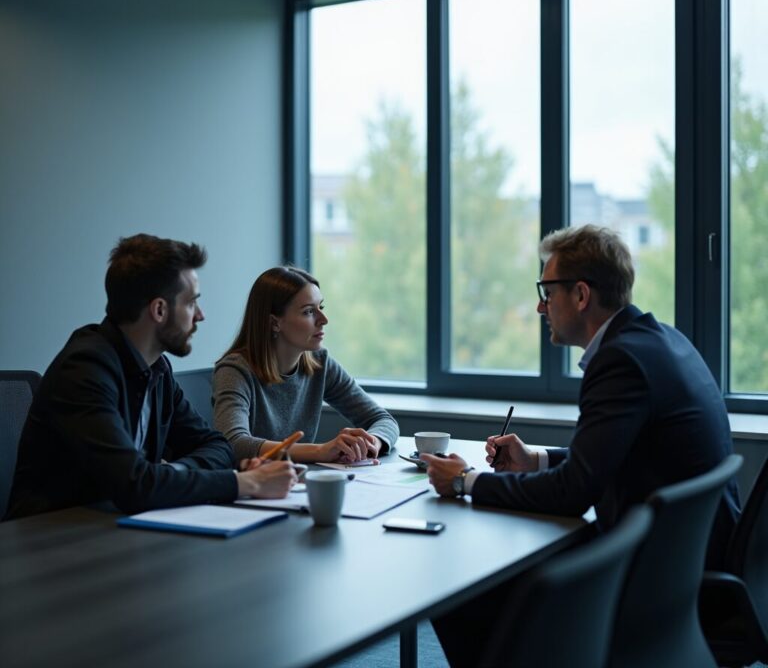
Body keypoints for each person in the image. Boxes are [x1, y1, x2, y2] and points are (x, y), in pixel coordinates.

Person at [422, 224, 741, 666]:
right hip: (687, 559)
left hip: (655, 575)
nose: (540, 306)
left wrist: (465, 482)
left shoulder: (620, 360)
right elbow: (628, 453)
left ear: (581, 295)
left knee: (462, 587)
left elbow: (574, 494)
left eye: (547, 291)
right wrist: (537, 459)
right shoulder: (661, 339)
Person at [4, 234, 296, 521]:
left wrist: (171, 474)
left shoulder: (157, 368)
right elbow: (135, 487)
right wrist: (249, 483)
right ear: (159, 309)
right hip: (49, 542)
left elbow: (217, 446)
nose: (201, 315)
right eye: (192, 303)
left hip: (116, 530)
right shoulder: (84, 369)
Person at [212, 266, 399, 464]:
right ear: (275, 323)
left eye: (321, 308)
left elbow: (383, 419)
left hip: (298, 485)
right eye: (309, 311)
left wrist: (371, 443)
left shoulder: (319, 362)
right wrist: (320, 451)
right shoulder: (234, 370)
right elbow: (234, 443)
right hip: (252, 488)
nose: (324, 320)